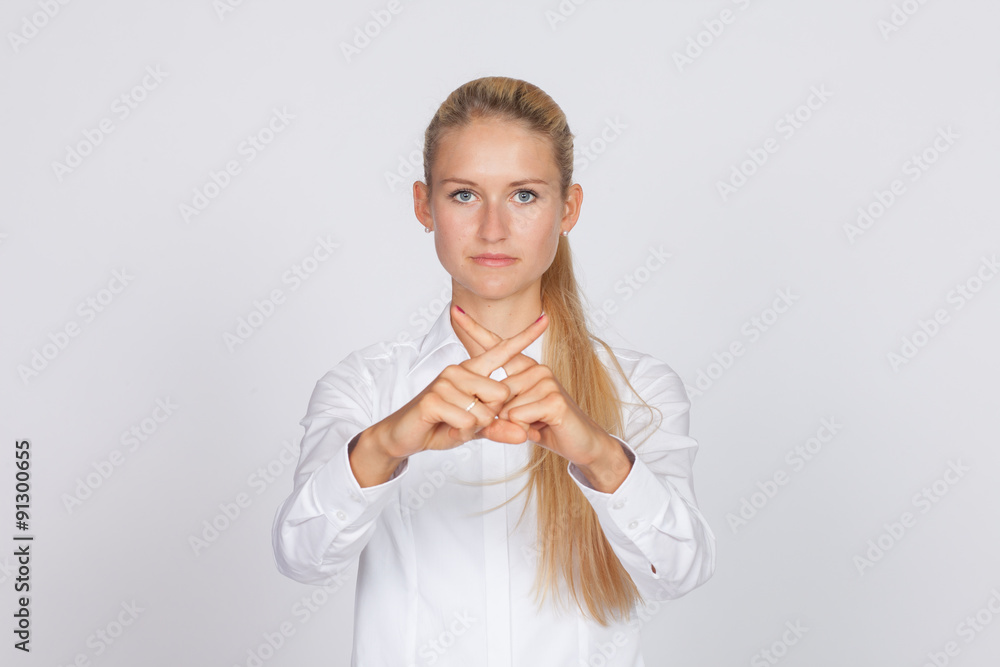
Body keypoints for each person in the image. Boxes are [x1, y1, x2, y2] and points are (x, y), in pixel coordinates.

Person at [271, 75, 716, 666]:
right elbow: (302, 558)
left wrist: (598, 453)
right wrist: (385, 444)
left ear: (569, 209)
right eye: (464, 195)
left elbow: (680, 572)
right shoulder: (365, 386)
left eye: (524, 195)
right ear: (423, 206)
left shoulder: (640, 389)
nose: (493, 229)